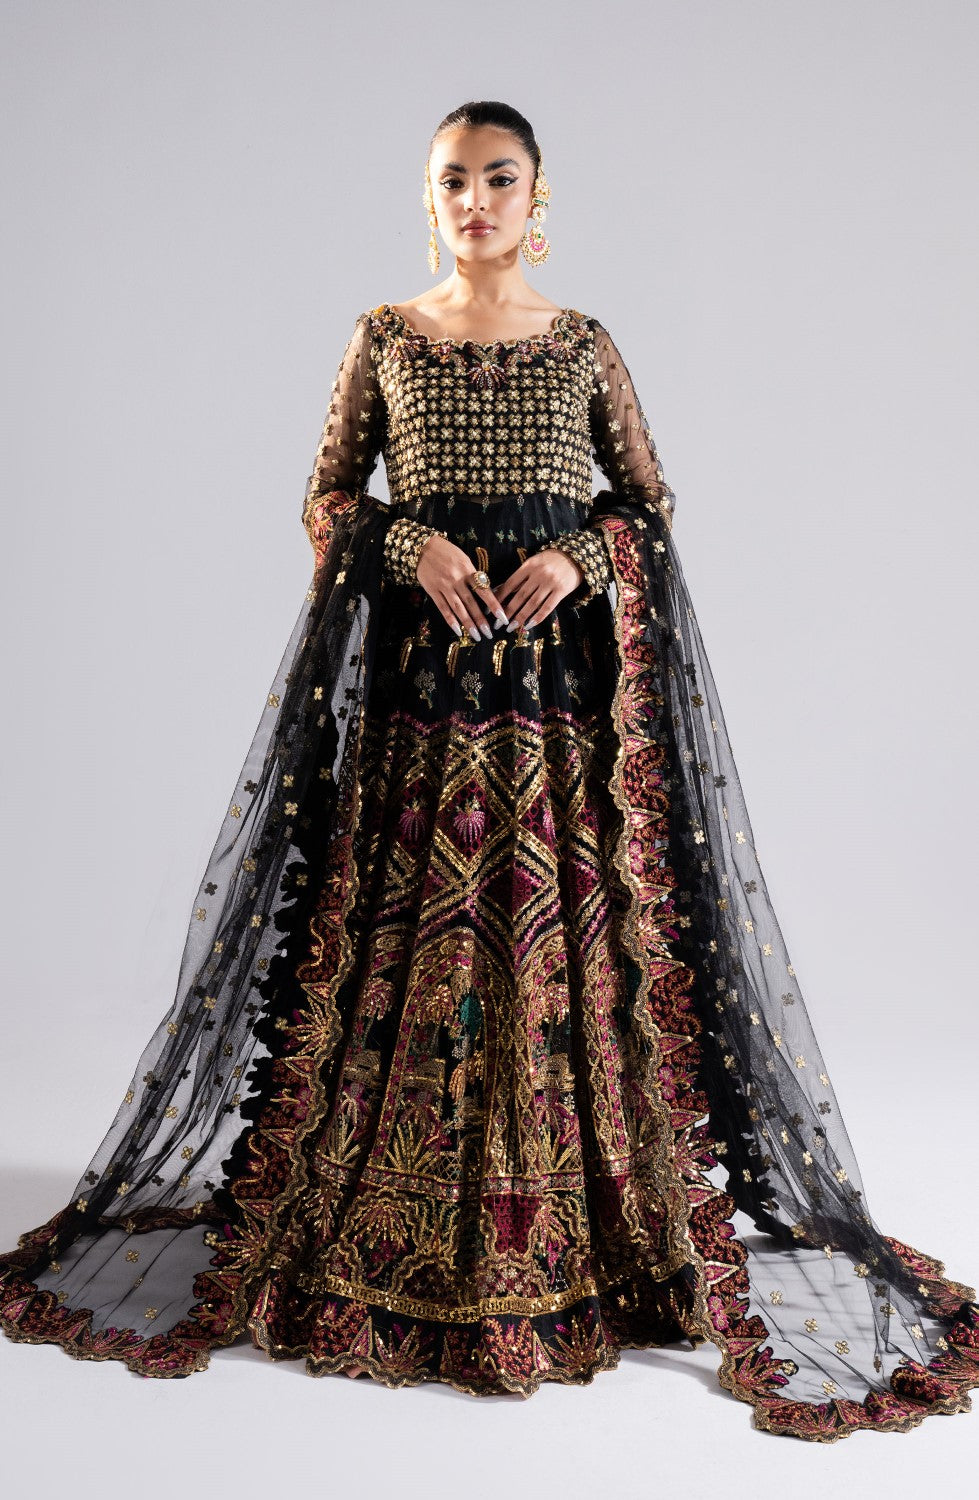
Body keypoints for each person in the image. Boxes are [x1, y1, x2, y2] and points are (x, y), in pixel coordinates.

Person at [1, 99, 976, 1444]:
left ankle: (586, 1235)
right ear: (429, 197)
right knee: (413, 945)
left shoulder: (584, 345)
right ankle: (385, 1224)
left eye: (499, 179)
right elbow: (327, 499)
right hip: (423, 707)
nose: (475, 201)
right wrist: (409, 549)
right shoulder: (384, 338)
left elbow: (650, 505)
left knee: (560, 949)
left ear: (537, 197)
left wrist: (581, 555)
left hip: (559, 719)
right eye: (453, 180)